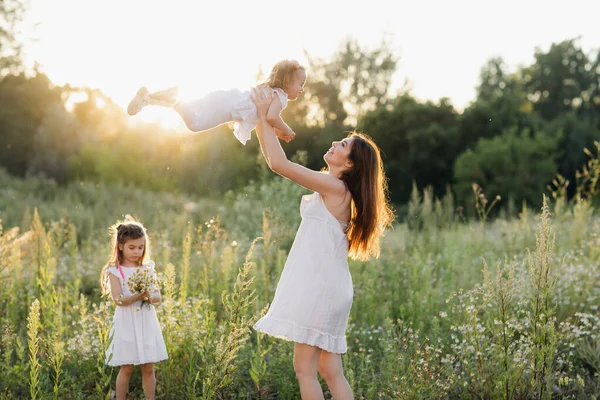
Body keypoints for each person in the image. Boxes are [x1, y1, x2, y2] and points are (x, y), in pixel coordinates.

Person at [250, 88, 394, 399]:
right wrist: (270, 123)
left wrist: (261, 118)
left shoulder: (333, 187)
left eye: (342, 145)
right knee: (330, 370)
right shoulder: (338, 189)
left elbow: (279, 164)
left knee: (305, 370)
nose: (334, 144)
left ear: (351, 164)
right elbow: (281, 161)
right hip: (332, 289)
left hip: (321, 289)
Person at [126, 59, 306, 144]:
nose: (302, 89)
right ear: (288, 81)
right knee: (195, 124)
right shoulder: (280, 97)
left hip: (226, 97)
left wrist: (277, 134)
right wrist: (287, 129)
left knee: (193, 105)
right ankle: (173, 101)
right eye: (301, 84)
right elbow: (272, 117)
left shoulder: (269, 91)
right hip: (227, 108)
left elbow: (264, 120)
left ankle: (147, 97)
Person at [101, 216, 168, 400]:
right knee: (127, 366)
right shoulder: (115, 270)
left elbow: (157, 297)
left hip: (146, 321)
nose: (137, 251)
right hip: (126, 322)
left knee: (148, 366)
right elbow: (118, 299)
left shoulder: (147, 268)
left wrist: (149, 296)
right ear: (121, 246)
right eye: (132, 247)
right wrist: (137, 296)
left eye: (141, 247)